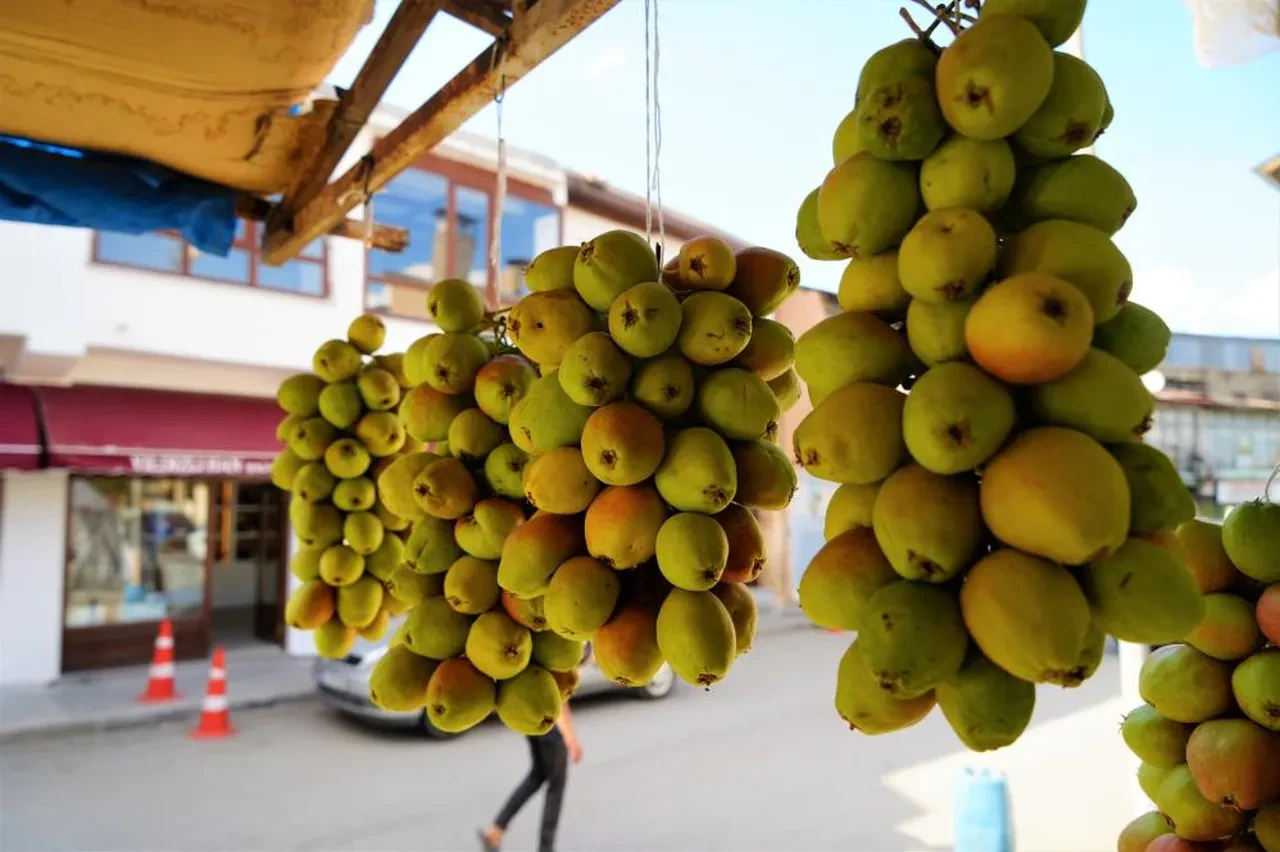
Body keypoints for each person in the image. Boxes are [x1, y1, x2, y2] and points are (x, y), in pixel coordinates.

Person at [479, 701, 582, 852]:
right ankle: (546, 848)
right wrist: (570, 737)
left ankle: (496, 830)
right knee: (556, 789)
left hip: (531, 721)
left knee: (537, 776)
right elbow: (559, 699)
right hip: (552, 726)